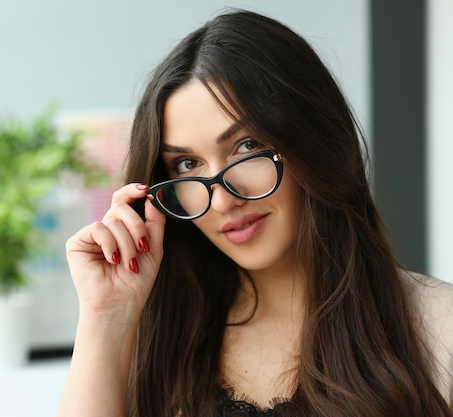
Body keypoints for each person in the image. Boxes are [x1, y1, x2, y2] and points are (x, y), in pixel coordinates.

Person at [56, 9, 453, 417]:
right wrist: (105, 319)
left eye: (247, 146)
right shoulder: (156, 339)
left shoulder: (440, 329)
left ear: (315, 140)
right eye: (187, 165)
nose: (225, 200)